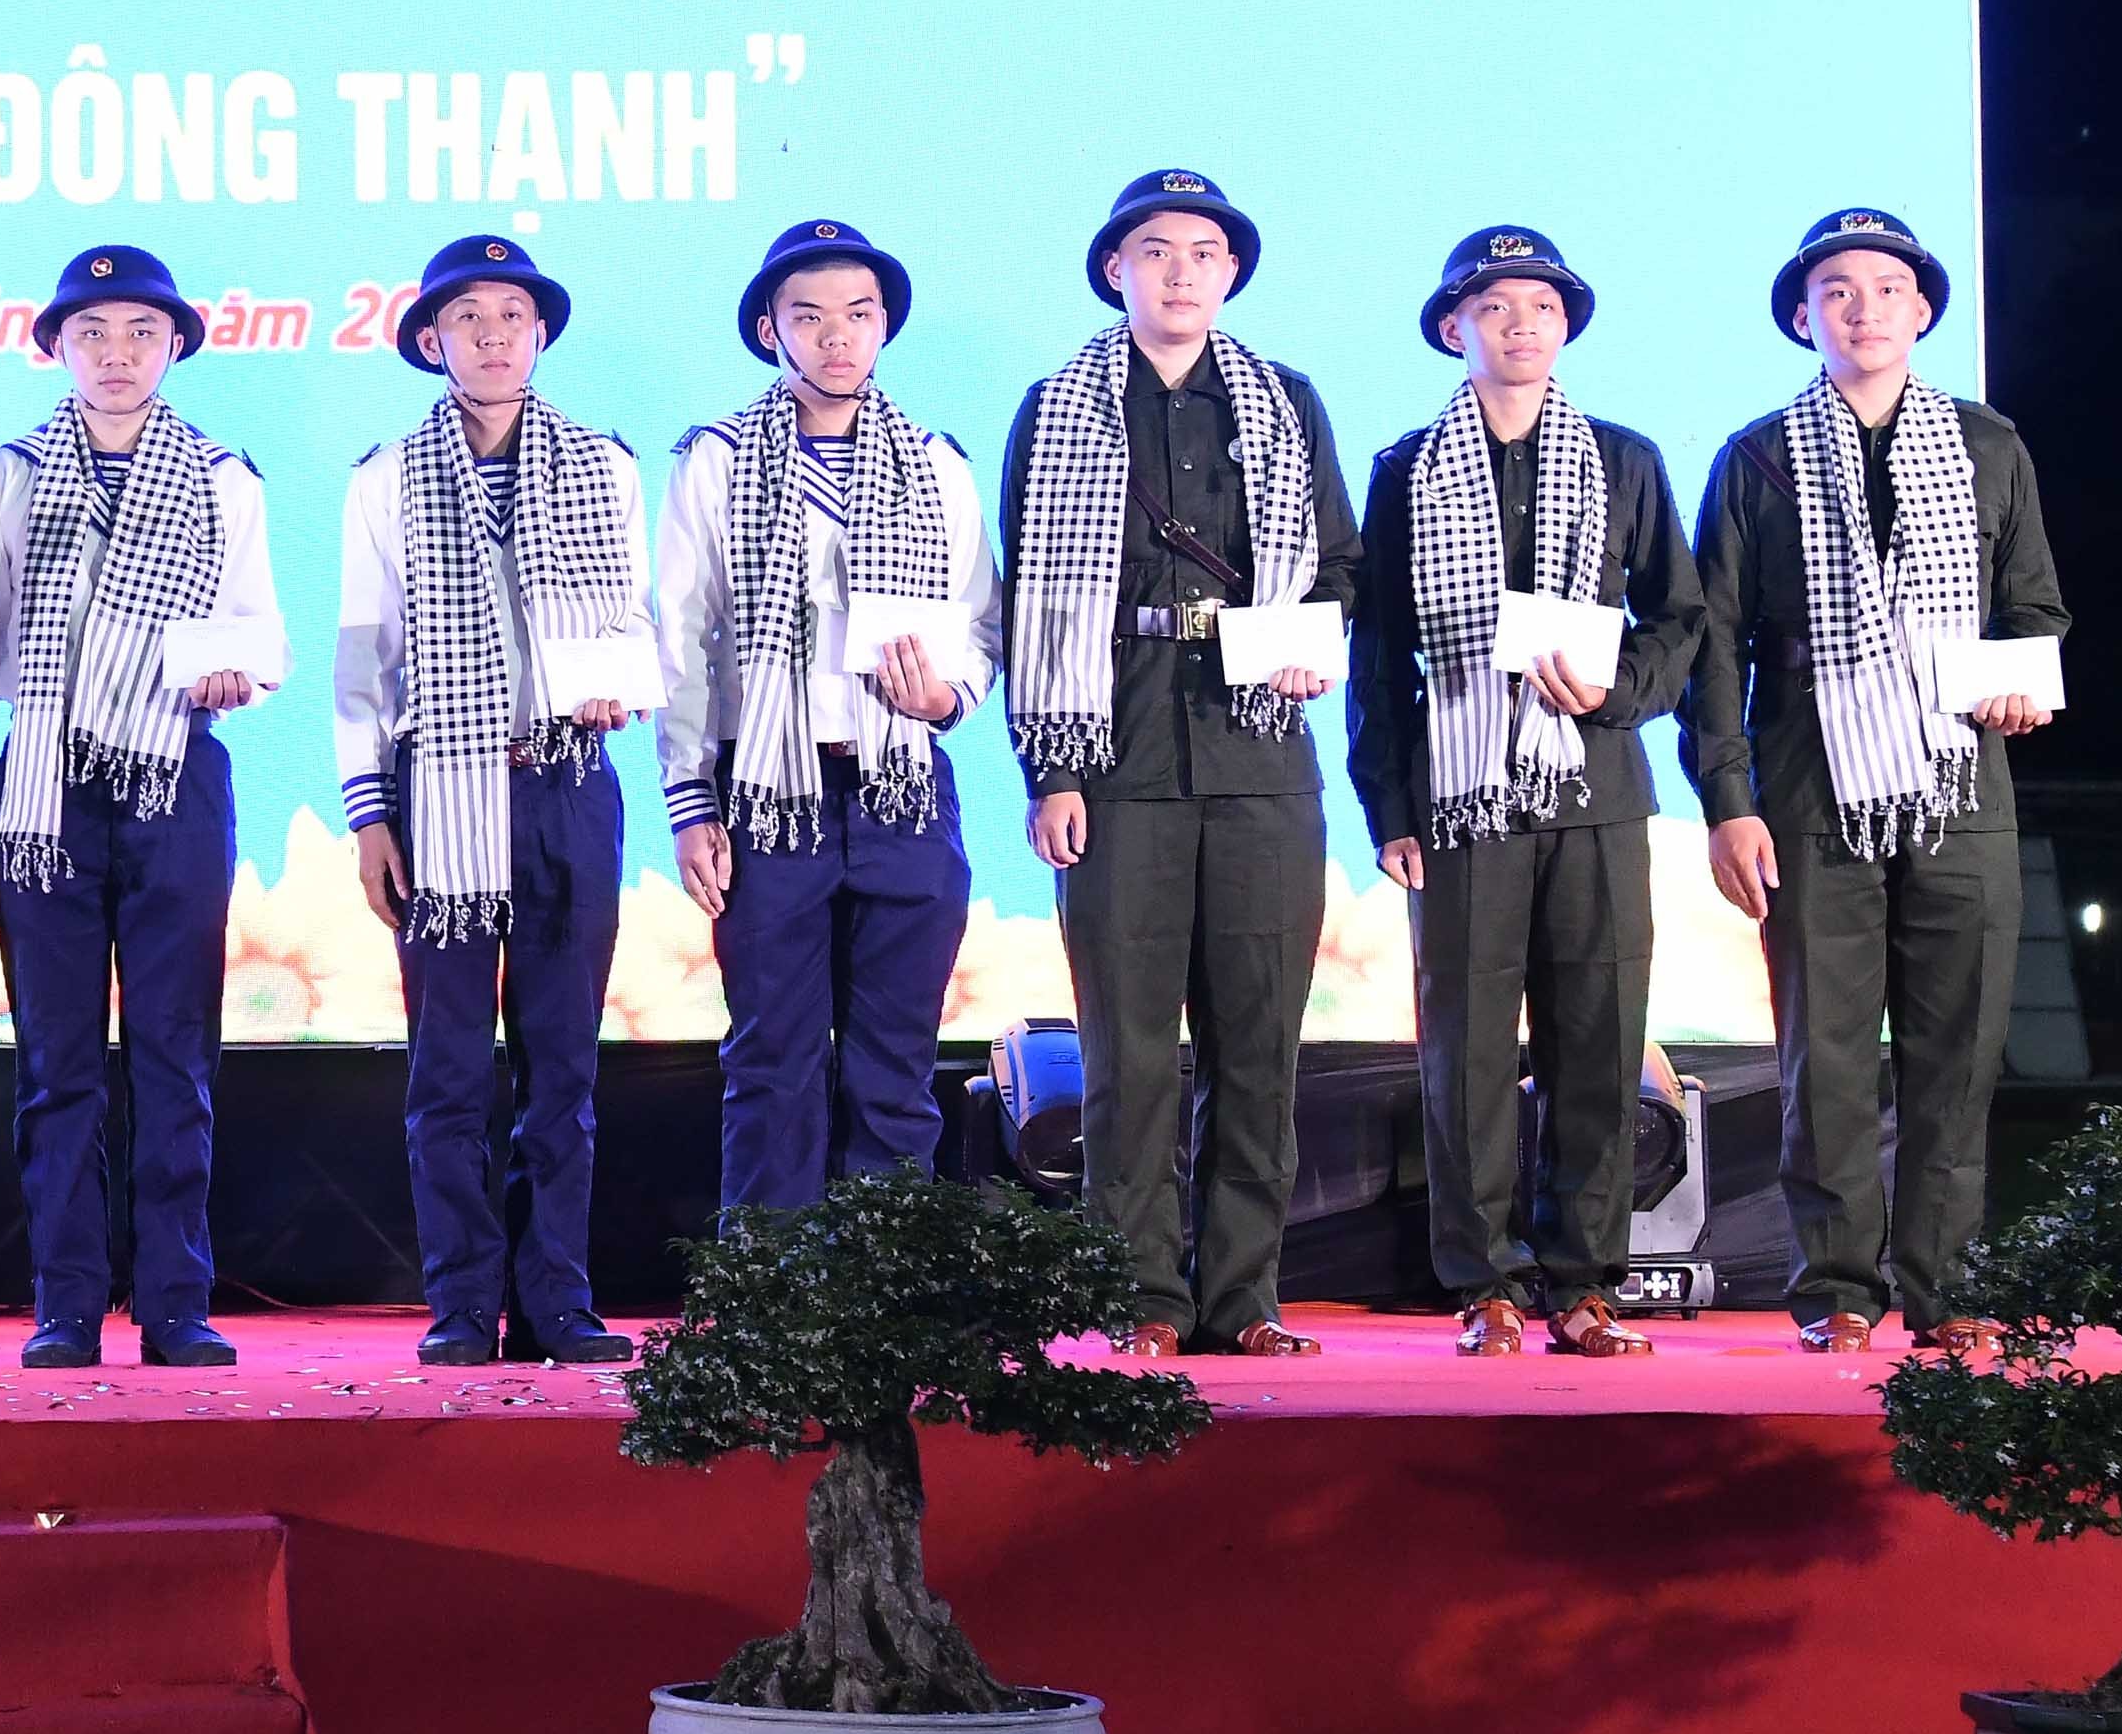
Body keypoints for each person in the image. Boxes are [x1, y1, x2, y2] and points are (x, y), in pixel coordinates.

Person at [1687, 207, 2069, 1354]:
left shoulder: (1989, 445)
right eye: (1837, 291)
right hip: (1810, 774)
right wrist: (1728, 801)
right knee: (1830, 1053)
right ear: (1803, 317)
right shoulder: (1756, 456)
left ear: (1923, 310)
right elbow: (1715, 646)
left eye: (1887, 287)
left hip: (1959, 777)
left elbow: (2033, 609)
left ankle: (1946, 1289)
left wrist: (2023, 681)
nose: (1864, 309)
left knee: (1959, 1048)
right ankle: (1839, 1289)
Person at [999, 169, 1358, 1359]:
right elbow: (1030, 603)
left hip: (1261, 755)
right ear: (1117, 270)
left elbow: (1339, 568)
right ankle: (1142, 1294)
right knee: (1129, 1054)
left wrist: (1311, 643)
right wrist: (1051, 770)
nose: (1182, 271)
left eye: (1205, 252)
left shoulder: (1286, 400)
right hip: (1117, 755)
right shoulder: (1058, 407)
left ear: (1232, 273)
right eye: (1157, 250)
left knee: (1258, 1048)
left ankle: (1245, 1296)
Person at [1348, 225, 1704, 1357]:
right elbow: (1378, 654)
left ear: (1566, 328)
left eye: (1542, 307)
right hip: (1458, 797)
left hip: (1596, 791)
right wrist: (1389, 807)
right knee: (1464, 1048)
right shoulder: (1405, 468)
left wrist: (1616, 691)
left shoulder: (1625, 458)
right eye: (1495, 307)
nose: (1520, 324)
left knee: (1597, 1039)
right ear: (1452, 327)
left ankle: (1586, 1280)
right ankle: (1484, 1282)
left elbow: (1681, 619)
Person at [0, 244, 289, 1370]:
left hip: (173, 773)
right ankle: (67, 1303)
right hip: (40, 782)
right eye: (91, 332)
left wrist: (238, 674)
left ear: (175, 345)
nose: (117, 354)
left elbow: (262, 637)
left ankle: (177, 1300)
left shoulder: (223, 477)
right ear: (56, 349)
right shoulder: (5, 477)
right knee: (57, 1060)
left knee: (176, 1053)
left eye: (140, 332)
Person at [334, 234, 647, 1366]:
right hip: (441, 792)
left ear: (541, 333)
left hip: (569, 783)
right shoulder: (385, 476)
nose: (493, 336)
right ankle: (462, 1301)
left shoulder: (605, 465)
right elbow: (363, 658)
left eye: (513, 315)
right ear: (431, 340)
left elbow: (637, 619)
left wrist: (622, 683)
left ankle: (557, 1298)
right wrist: (369, 814)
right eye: (468, 318)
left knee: (564, 1065)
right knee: (450, 1069)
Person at [653, 217, 995, 1225]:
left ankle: (884, 1293)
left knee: (896, 1067)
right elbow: (681, 643)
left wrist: (944, 697)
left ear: (884, 326)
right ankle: (769, 1294)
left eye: (858, 313)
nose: (836, 335)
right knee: (771, 1062)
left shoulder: (935, 461)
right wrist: (689, 803)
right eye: (808, 316)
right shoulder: (715, 461)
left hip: (901, 790)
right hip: (767, 793)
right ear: (770, 330)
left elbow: (982, 622)